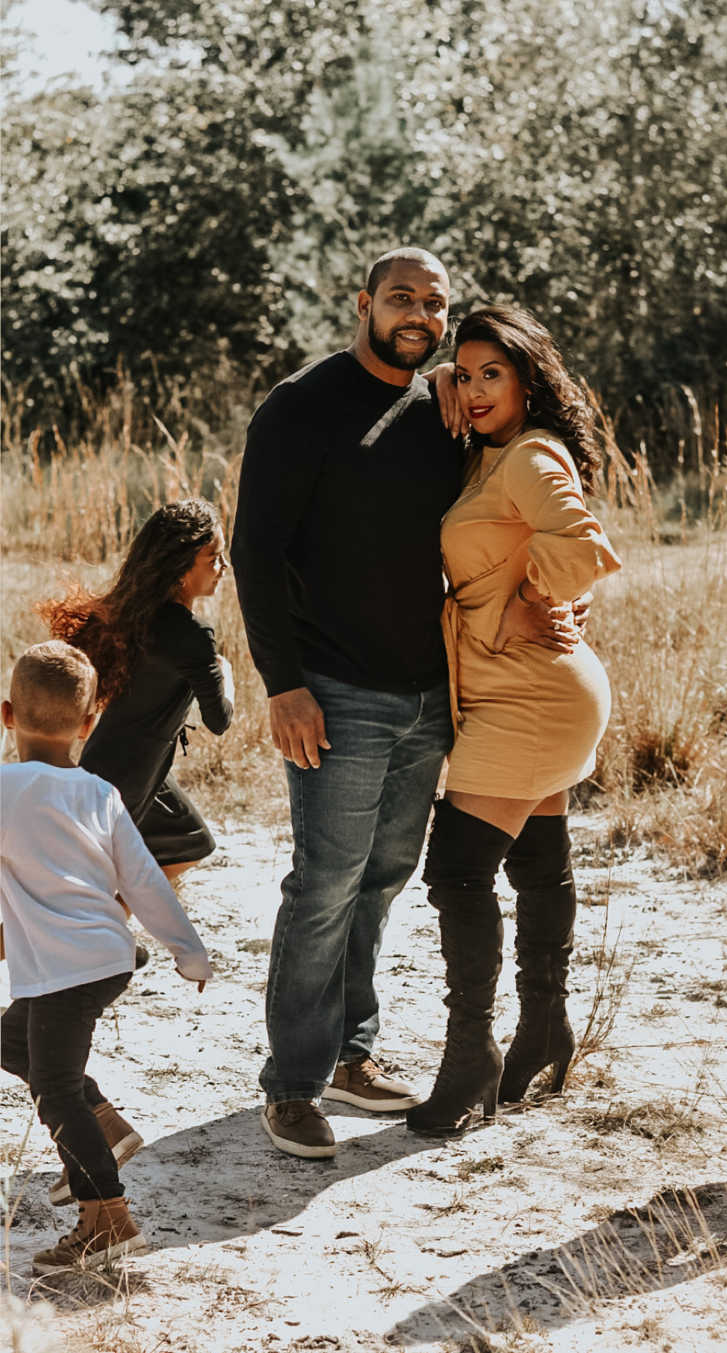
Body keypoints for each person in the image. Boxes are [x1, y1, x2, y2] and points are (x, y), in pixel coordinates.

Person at [230, 249, 567, 1159]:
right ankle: (293, 1085)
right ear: (364, 303)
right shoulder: (302, 405)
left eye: (435, 302)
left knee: (379, 881)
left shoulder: (444, 410)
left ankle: (350, 1053)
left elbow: (507, 515)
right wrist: (283, 684)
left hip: (431, 692)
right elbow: (254, 553)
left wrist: (549, 594)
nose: (419, 313)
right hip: (334, 691)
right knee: (325, 882)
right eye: (401, 298)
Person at [406, 305, 622, 1137]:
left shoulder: (529, 453)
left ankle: (471, 1057)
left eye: (492, 372)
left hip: (531, 692)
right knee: (536, 854)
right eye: (466, 373)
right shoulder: (487, 455)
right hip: (522, 688)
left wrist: (534, 599)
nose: (475, 387)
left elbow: (584, 544)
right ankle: (546, 1028)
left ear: (528, 380)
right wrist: (439, 387)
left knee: (458, 868)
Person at [0, 641, 213, 1274]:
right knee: (13, 1044)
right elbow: (145, 880)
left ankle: (108, 1220)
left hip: (67, 969)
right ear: (89, 726)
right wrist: (188, 952)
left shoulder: (4, 789)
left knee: (55, 1089)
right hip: (104, 959)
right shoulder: (99, 794)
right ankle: (107, 1129)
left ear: (6, 714)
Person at [39, 499, 234, 883]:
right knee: (70, 879)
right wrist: (225, 672)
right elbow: (220, 720)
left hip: (129, 765)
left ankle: (110, 926)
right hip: (129, 775)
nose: (223, 568)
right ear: (181, 568)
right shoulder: (190, 636)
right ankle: (97, 931)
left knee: (190, 842)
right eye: (214, 558)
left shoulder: (139, 613)